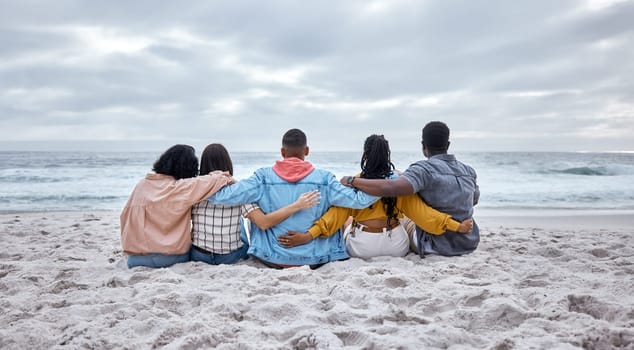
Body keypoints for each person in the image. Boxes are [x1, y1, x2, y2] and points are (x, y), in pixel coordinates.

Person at [278, 134, 473, 258]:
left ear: (365, 155)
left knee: (347, 217)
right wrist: (457, 226)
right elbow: (424, 214)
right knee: (404, 214)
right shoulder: (396, 185)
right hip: (396, 246)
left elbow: (334, 217)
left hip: (362, 247)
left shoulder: (355, 181)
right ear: (387, 155)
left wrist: (307, 236)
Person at [208, 128, 379, 268]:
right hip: (316, 259)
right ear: (307, 151)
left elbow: (223, 197)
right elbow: (360, 200)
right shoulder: (325, 179)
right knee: (342, 208)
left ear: (282, 151)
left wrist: (205, 181)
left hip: (271, 258)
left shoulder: (262, 178)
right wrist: (387, 182)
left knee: (249, 202)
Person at [340, 121, 480, 257]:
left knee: (396, 209)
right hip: (467, 242)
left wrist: (352, 180)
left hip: (432, 243)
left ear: (423, 146)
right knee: (407, 207)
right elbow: (473, 200)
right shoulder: (468, 171)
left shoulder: (422, 170)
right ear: (448, 144)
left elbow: (391, 188)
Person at [191, 143, 320, 265]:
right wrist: (297, 205)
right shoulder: (238, 193)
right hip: (229, 257)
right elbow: (263, 223)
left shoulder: (194, 189)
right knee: (245, 221)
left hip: (199, 255)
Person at [120, 144, 233, 268]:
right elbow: (218, 178)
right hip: (169, 258)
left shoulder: (141, 186)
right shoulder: (180, 188)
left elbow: (124, 217)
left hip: (135, 260)